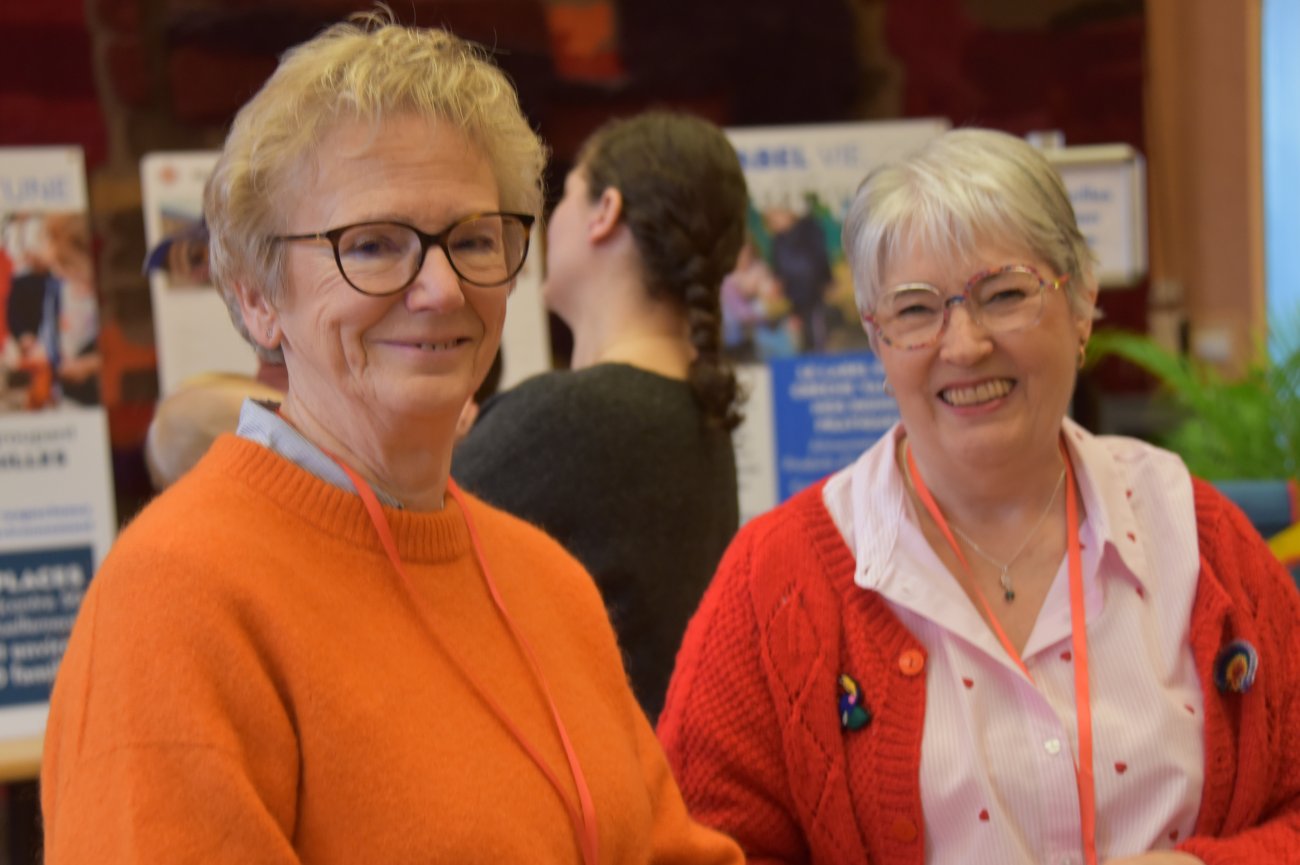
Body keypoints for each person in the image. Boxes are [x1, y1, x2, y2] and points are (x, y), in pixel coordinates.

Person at [41, 17, 745, 864]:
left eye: (474, 239)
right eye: (373, 245)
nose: (441, 288)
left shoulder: (550, 583)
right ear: (257, 295)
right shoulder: (176, 599)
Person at [658, 128, 1300, 864]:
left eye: (1004, 294)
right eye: (914, 310)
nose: (963, 345)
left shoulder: (1197, 537)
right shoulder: (776, 578)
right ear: (875, 338)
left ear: (1081, 303)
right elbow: (690, 851)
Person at [452, 111, 748, 722]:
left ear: (605, 211)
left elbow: (387, 552)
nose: (551, 220)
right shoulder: (696, 414)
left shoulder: (569, 419)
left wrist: (425, 460)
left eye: (566, 194)